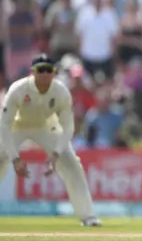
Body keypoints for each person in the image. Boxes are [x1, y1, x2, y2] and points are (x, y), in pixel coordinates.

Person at [0, 54, 101, 227]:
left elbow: (68, 127)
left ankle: (88, 216)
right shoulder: (18, 89)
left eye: (49, 70)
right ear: (33, 72)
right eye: (41, 70)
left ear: (54, 72)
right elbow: (4, 125)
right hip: (17, 126)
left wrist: (55, 154)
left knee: (71, 163)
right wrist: (15, 159)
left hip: (45, 127)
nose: (45, 74)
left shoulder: (60, 91)